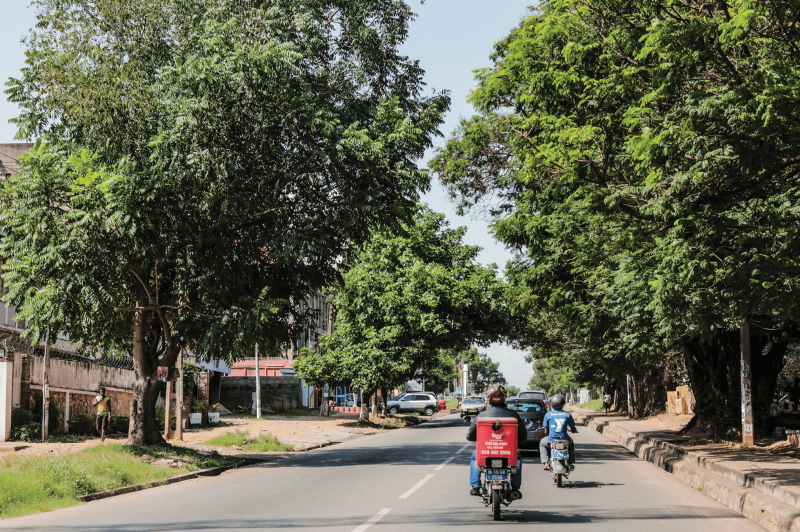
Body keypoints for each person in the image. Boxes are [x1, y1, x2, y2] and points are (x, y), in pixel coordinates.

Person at [466, 384, 527, 499]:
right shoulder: (513, 415)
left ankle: (475, 486)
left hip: (485, 454)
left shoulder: (481, 416)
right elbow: (523, 438)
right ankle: (515, 487)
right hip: (508, 454)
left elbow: (470, 436)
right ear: (504, 398)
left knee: (475, 457)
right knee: (517, 457)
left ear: (489, 398)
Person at [540, 393, 578, 471]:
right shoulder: (567, 415)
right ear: (563, 404)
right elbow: (573, 428)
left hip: (552, 440)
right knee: (571, 444)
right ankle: (570, 462)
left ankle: (545, 463)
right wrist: (574, 431)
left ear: (552, 404)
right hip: (565, 441)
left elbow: (546, 429)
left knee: (542, 443)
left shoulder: (548, 415)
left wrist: (546, 434)